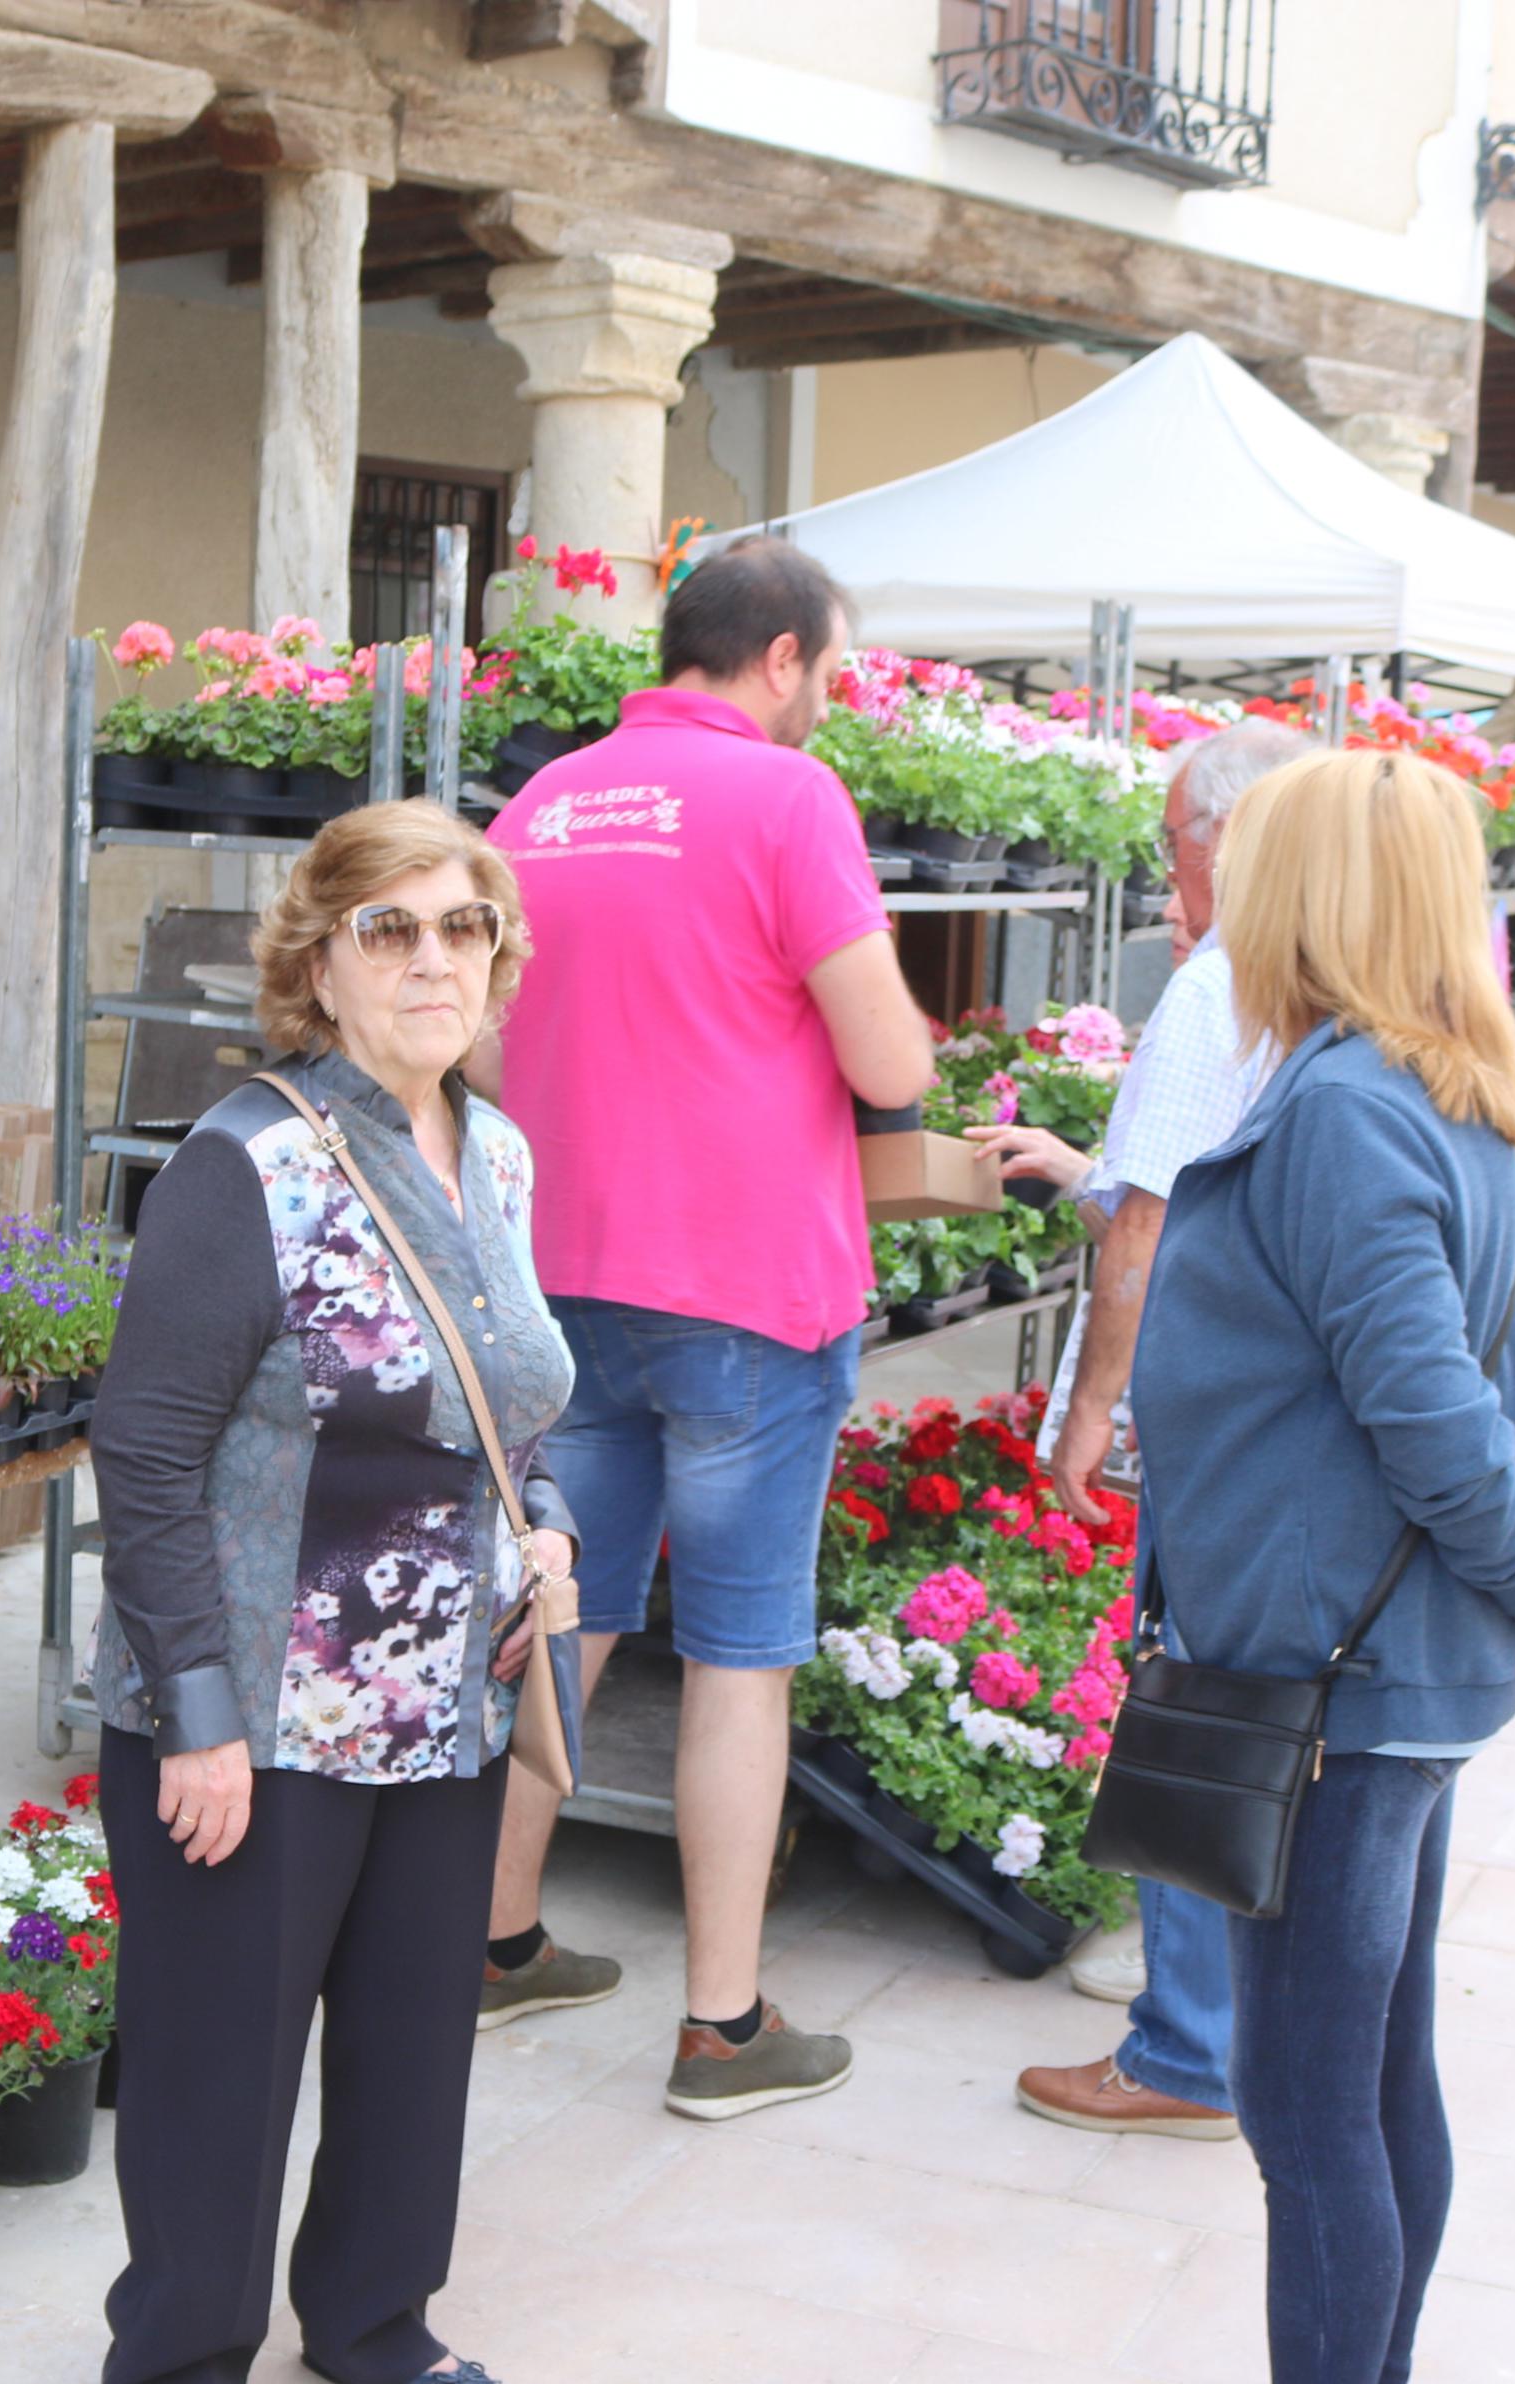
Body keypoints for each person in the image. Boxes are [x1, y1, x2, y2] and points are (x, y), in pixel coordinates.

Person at [1044, 749, 1515, 2384]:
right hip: (1374, 1677)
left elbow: (1434, 1416)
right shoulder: (1464, 1101)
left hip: (1327, 1681)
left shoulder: (1332, 1110)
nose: (1209, 890)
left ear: (1305, 890)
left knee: (1304, 2104)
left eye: (1242, 862)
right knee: (1370, 2077)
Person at [84, 800, 580, 2384]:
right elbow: (143, 1451)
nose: (434, 959)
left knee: (408, 2028)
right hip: (257, 1704)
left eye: (463, 929)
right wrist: (197, 1720)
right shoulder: (246, 1164)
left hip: (446, 1687)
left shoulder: (496, 1154)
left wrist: (553, 1518)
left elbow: (515, 1390)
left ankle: (374, 2317)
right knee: (223, 2053)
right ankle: (175, 2366)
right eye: (392, 930)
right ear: (317, 962)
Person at [473, 535, 934, 2120]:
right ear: (784, 657)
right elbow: (889, 1065)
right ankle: (722, 2028)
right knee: (739, 1651)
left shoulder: (538, 803)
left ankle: (494, 1940)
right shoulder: (787, 800)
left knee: (559, 1612)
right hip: (741, 1289)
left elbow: (475, 1052)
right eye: (831, 669)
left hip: (557, 1281)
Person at [985, 715, 1319, 2128]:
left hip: (1203, 1411)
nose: (1166, 871)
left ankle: (1181, 2046)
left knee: (1185, 1696)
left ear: (1220, 841)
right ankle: (1225, 2005)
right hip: (1286, 1417)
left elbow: (1155, 1225)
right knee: (1250, 1703)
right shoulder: (1331, 972)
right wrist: (1087, 1166)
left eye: (1172, 841)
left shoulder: (1212, 976)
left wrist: (1088, 1412)